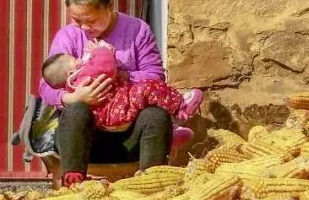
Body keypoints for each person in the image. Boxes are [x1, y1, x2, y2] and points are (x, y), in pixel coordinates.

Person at [38, 0, 197, 186]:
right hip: (88, 136)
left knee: (156, 115)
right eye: (76, 20)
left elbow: (155, 77)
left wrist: (116, 74)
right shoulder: (68, 36)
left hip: (131, 134)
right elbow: (46, 87)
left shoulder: (138, 30)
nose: (83, 28)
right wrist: (73, 98)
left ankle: (151, 184)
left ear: (110, 7)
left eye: (90, 21)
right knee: (75, 112)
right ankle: (73, 180)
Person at [40, 42, 203, 132]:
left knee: (153, 108)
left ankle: (172, 129)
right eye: (73, 59)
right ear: (70, 73)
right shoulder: (83, 77)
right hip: (118, 108)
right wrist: (102, 50)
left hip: (113, 112)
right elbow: (106, 66)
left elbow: (155, 71)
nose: (78, 59)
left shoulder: (75, 82)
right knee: (148, 88)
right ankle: (182, 108)